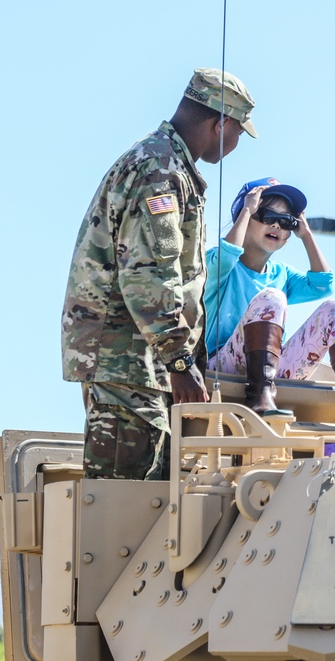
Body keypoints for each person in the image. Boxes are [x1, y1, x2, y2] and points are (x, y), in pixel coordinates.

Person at [62, 68, 257, 480]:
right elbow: (149, 274)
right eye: (238, 132)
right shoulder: (160, 170)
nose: (237, 143)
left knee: (146, 502)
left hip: (141, 361)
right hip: (128, 361)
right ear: (219, 123)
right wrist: (180, 361)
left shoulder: (167, 164)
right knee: (122, 509)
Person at [204, 177, 335, 425]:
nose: (277, 226)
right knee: (273, 297)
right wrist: (247, 211)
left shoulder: (280, 273)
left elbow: (323, 285)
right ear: (246, 215)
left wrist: (305, 234)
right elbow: (227, 257)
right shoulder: (217, 265)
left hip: (272, 375)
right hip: (220, 368)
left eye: (286, 222)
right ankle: (258, 396)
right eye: (267, 215)